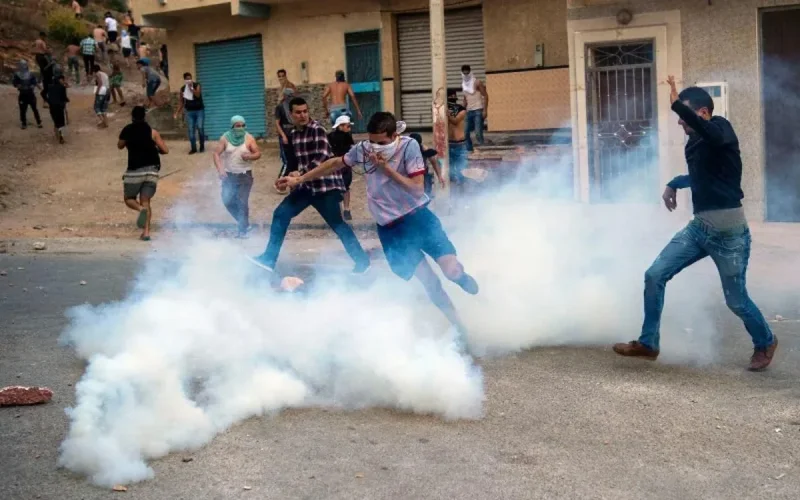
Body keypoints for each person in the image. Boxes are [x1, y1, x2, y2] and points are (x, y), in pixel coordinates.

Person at [613, 76, 778, 372]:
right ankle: (648, 343)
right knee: (654, 274)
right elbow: (701, 177)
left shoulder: (722, 130)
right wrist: (674, 183)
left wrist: (676, 103)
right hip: (699, 229)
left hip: (730, 235)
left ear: (702, 112)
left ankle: (765, 341)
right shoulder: (695, 143)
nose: (679, 122)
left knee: (737, 302)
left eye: (683, 115)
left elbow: (710, 133)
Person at [277, 112, 479, 347]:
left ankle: (461, 278)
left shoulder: (409, 146)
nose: (375, 148)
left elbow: (416, 188)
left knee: (451, 271)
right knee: (430, 283)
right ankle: (460, 327)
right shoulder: (364, 149)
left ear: (394, 135)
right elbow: (335, 163)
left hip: (418, 219)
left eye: (381, 142)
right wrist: (299, 179)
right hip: (391, 230)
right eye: (372, 141)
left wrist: (386, 169)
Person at [249, 97, 370, 274]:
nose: (303, 115)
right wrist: (285, 178)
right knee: (281, 214)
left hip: (325, 188)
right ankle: (269, 259)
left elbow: (321, 157)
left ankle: (362, 261)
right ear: (291, 114)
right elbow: (293, 163)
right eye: (298, 112)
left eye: (305, 111)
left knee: (337, 224)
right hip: (306, 187)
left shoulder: (317, 129)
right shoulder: (294, 135)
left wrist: (300, 174)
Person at [118, 106, 169, 241]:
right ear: (144, 117)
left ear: (132, 117)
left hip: (134, 170)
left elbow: (120, 145)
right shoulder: (152, 132)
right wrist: (156, 149)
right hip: (152, 170)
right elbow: (165, 150)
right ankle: (146, 233)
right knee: (146, 200)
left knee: (129, 199)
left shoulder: (127, 130)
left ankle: (140, 209)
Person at [213, 116, 261, 238]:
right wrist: (220, 170)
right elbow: (216, 154)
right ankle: (245, 224)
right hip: (229, 175)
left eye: (243, 125)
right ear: (232, 126)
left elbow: (257, 153)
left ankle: (242, 231)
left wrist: (250, 156)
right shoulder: (225, 138)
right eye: (237, 126)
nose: (240, 128)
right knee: (227, 200)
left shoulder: (249, 138)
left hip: (245, 175)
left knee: (241, 201)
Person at [328, 115, 355, 221]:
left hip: (334, 165)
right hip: (344, 164)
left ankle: (338, 211)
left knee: (335, 188)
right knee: (345, 188)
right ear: (341, 126)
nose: (349, 128)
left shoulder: (329, 136)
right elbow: (352, 149)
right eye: (348, 126)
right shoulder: (347, 136)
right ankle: (346, 210)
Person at [174, 72, 205, 154]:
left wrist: (191, 88)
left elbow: (198, 95)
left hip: (199, 111)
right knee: (191, 131)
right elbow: (181, 102)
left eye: (190, 78)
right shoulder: (182, 89)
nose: (189, 80)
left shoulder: (197, 85)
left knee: (200, 127)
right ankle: (193, 148)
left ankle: (202, 145)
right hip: (190, 112)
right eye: (187, 79)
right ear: (184, 80)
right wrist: (177, 112)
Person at [460, 65, 488, 152]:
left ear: (470, 72)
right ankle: (470, 150)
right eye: (464, 73)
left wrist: (485, 110)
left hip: (478, 111)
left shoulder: (477, 82)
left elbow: (486, 96)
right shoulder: (463, 85)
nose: (466, 74)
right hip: (469, 111)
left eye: (467, 72)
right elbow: (465, 99)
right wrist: (460, 111)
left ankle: (483, 150)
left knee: (478, 133)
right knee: (465, 133)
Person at [409, 133, 445, 198]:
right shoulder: (406, 149)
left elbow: (434, 162)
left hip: (424, 174)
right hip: (410, 175)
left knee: (426, 195)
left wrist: (439, 176)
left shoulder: (424, 149)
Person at [274, 87, 298, 186]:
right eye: (289, 95)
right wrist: (283, 135)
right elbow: (277, 124)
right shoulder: (280, 107)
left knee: (295, 160)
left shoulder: (294, 107)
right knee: (287, 161)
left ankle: (293, 182)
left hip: (294, 135)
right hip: (285, 135)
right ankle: (279, 182)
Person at [12, 60, 42, 130]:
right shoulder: (17, 75)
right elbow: (14, 83)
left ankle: (39, 122)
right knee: (23, 110)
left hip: (30, 94)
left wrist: (33, 85)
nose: (23, 67)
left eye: (24, 65)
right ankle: (24, 123)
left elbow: (34, 82)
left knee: (34, 109)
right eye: (22, 65)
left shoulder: (30, 74)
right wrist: (18, 85)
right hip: (22, 94)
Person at [447, 88, 468, 185]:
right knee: (450, 171)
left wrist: (448, 115)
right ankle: (454, 192)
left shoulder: (462, 110)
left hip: (460, 144)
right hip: (448, 144)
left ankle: (462, 191)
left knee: (462, 170)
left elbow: (455, 121)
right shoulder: (443, 110)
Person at [47, 74, 69, 144]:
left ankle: (57, 135)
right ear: (60, 80)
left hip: (52, 106)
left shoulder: (50, 87)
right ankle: (61, 137)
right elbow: (64, 98)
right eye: (63, 80)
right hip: (59, 106)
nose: (63, 81)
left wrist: (48, 101)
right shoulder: (62, 87)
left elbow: (44, 94)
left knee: (56, 121)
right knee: (61, 122)